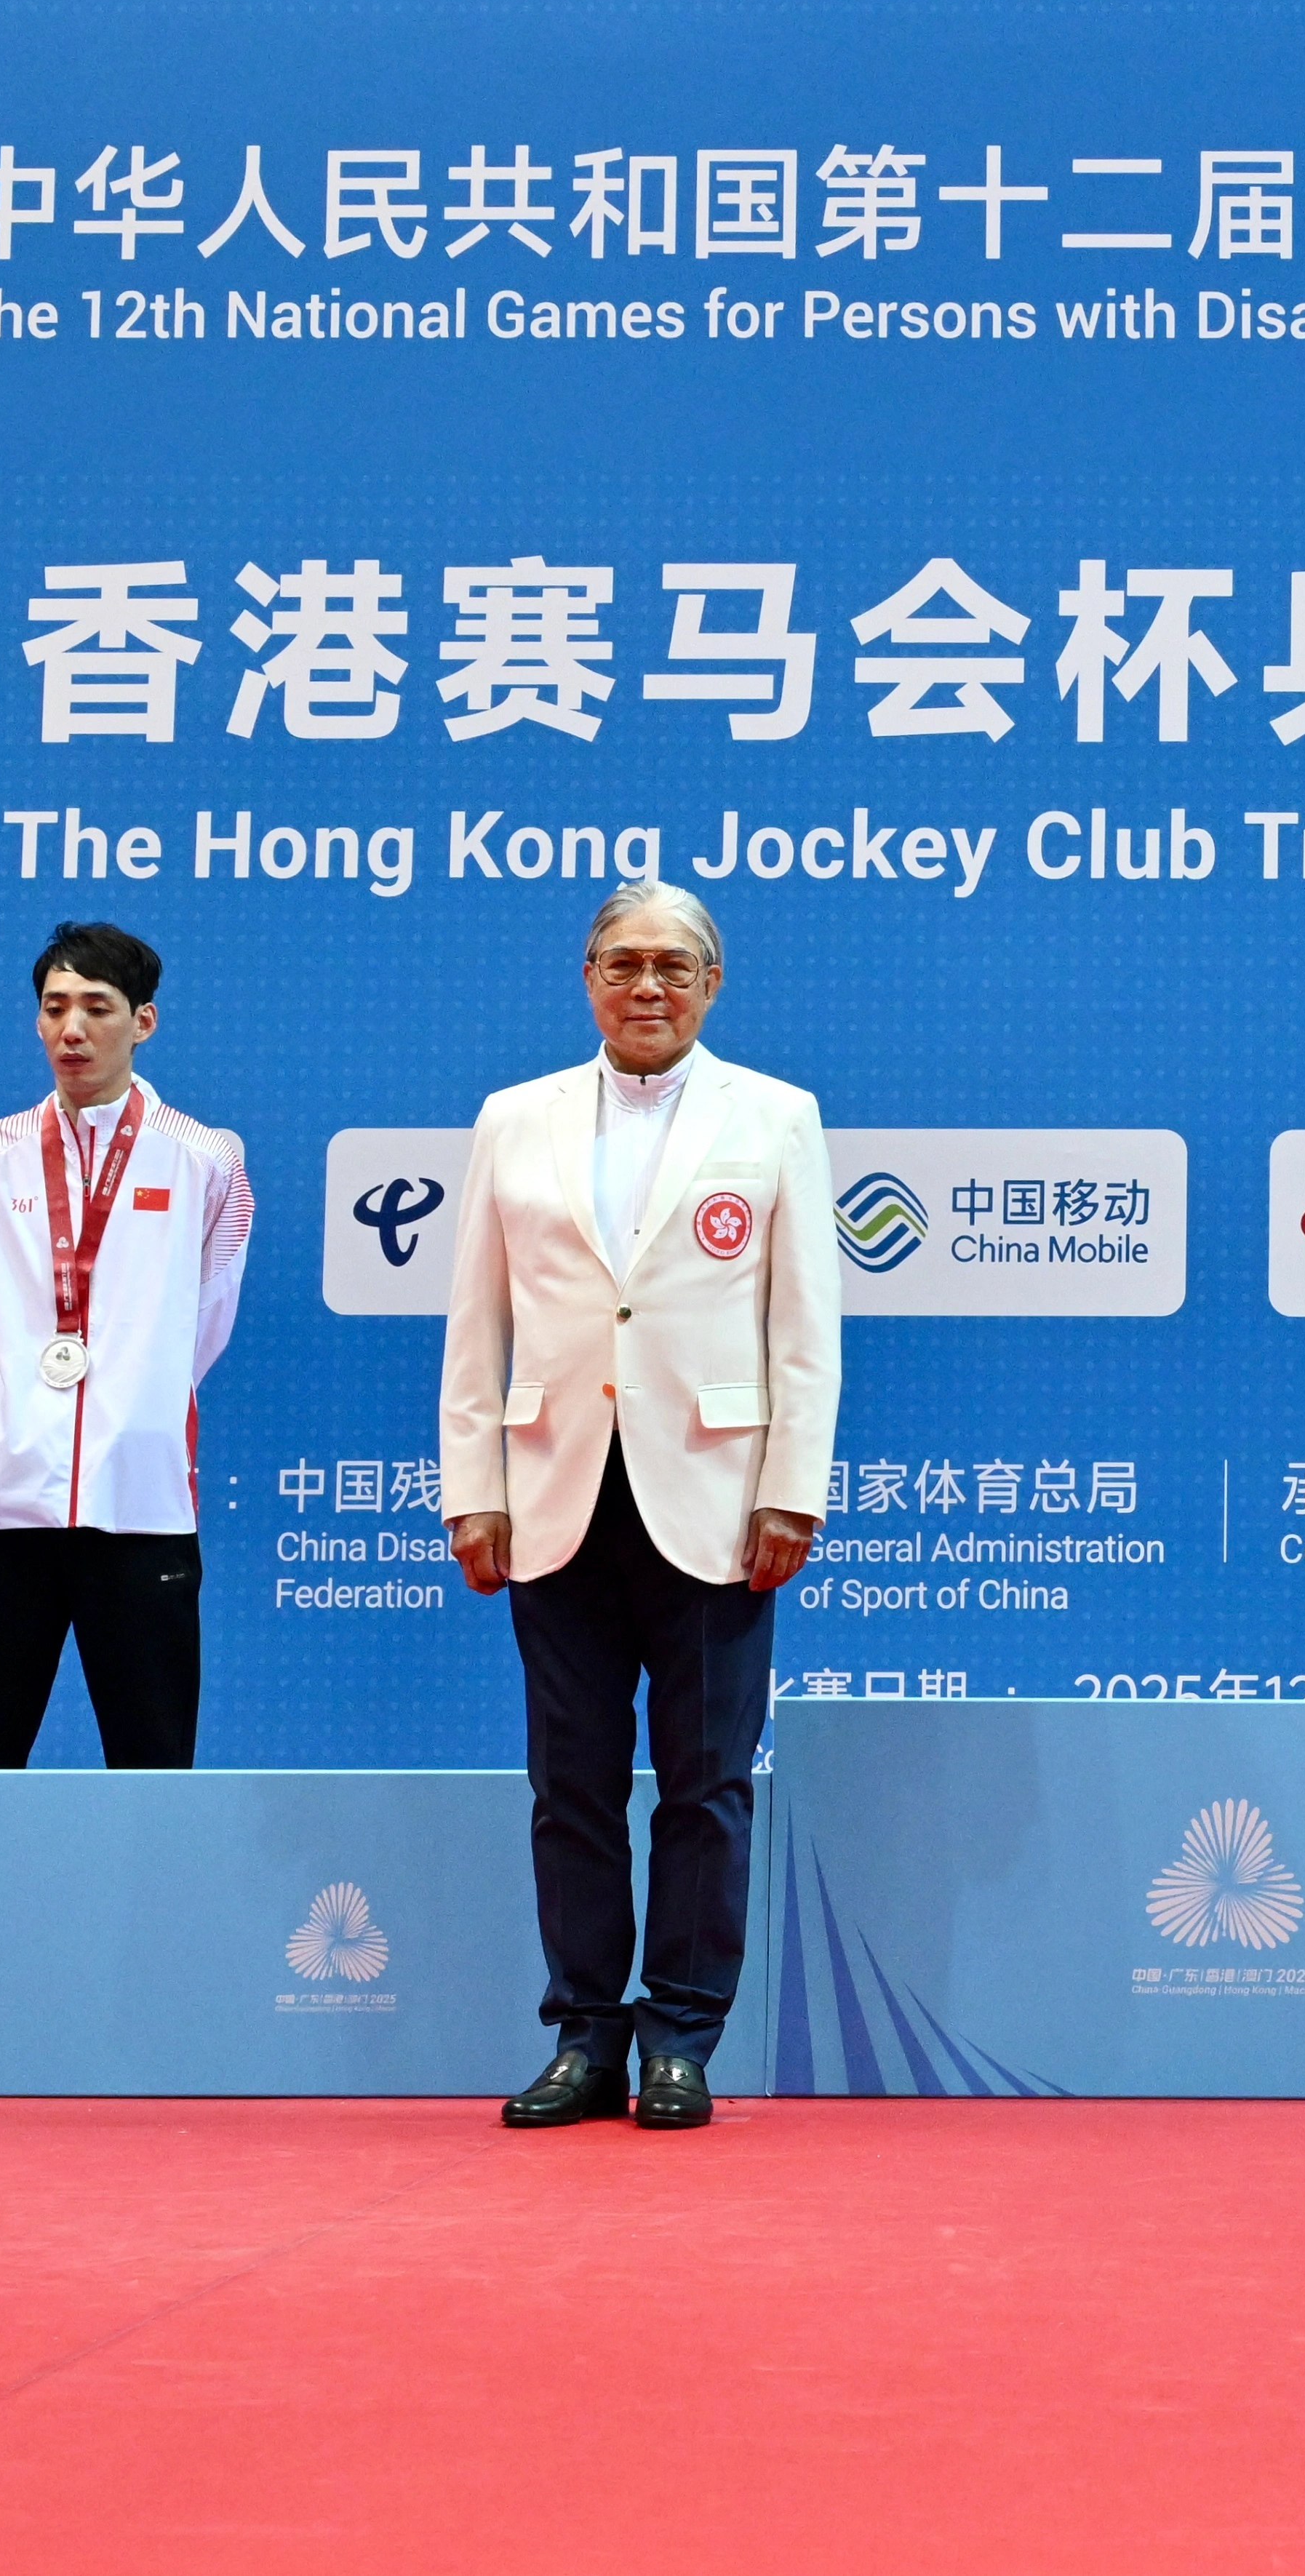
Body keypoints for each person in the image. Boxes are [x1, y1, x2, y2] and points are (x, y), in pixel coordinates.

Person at [441, 881, 837, 2131]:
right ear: (587, 979)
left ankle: (680, 2034)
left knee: (706, 1783)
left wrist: (790, 1489)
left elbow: (805, 1327)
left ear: (711, 985)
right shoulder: (516, 1118)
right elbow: (477, 1321)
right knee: (570, 1785)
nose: (647, 986)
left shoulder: (773, 1116)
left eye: (673, 965)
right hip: (555, 1485)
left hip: (717, 1493)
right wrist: (473, 1490)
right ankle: (583, 2036)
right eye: (622, 964)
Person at [0, 922, 250, 1769]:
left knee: (153, 1766)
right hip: (4, 1505)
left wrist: (132, 1402)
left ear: (143, 1022)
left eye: (96, 1007)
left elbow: (204, 1323)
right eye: (54, 1008)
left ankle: (153, 1909)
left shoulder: (206, 1160)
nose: (72, 1028)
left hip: (142, 1504)